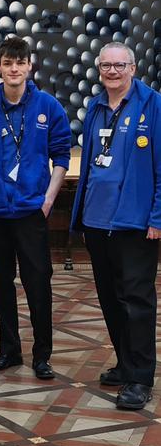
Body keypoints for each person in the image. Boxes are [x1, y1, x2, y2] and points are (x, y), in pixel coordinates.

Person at [0, 36, 70, 380]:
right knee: (0, 283)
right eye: (7, 63)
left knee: (37, 282)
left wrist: (48, 199)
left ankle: (42, 355)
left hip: (30, 212)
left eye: (19, 63)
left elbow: (61, 156)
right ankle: (9, 350)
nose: (13, 69)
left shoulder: (48, 106)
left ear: (29, 66)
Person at [71, 42, 161, 410]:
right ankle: (125, 364)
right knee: (110, 299)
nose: (112, 71)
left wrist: (156, 217)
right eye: (106, 65)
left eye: (119, 65)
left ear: (133, 68)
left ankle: (140, 378)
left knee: (137, 301)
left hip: (135, 224)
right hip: (96, 222)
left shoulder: (152, 104)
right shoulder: (94, 107)